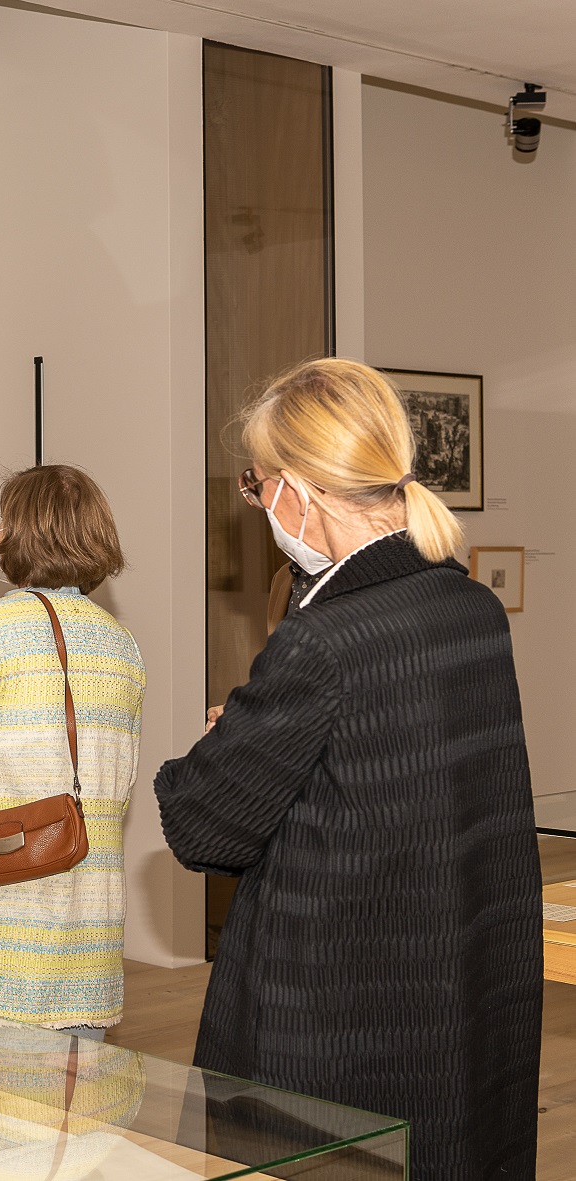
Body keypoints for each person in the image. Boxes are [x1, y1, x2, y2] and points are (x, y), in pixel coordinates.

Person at [153, 358, 538, 1179]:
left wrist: (223, 741)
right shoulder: (471, 607)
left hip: (334, 1007)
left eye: (257, 485)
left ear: (299, 489)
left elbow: (201, 827)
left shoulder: (321, 640)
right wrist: (266, 733)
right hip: (453, 987)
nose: (258, 504)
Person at [0, 465, 145, 1040]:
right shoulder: (120, 643)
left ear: (19, 535)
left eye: (4, 521)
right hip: (88, 914)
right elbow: (120, 783)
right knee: (76, 1085)